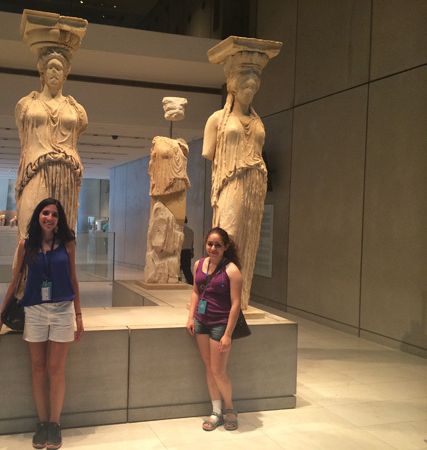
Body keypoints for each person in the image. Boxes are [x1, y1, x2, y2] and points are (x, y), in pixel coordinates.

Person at [0, 198, 84, 450]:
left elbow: (73, 278)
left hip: (63, 310)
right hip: (34, 310)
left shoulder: (68, 243)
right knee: (38, 368)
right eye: (45, 213)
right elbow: (15, 282)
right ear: (38, 216)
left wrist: (78, 315)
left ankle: (55, 424)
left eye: (54, 214)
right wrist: (0, 317)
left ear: (59, 219)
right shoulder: (26, 245)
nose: (49, 218)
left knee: (56, 370)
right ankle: (42, 423)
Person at [202, 67, 266, 310]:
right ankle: (219, 294)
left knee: (249, 239)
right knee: (229, 234)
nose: (250, 91)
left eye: (254, 87)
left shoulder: (258, 122)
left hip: (255, 182)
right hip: (231, 180)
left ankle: (240, 297)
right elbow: (209, 151)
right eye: (245, 86)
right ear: (233, 88)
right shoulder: (217, 119)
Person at [15, 48, 88, 240]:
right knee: (28, 228)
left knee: (63, 233)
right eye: (50, 67)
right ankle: (28, 262)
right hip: (35, 169)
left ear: (65, 75)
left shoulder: (76, 109)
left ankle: (60, 261)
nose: (54, 72)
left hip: (67, 170)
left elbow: (81, 127)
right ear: (42, 72)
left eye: (59, 68)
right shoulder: (26, 105)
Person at [186, 227, 243, 432]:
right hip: (201, 321)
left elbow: (236, 304)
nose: (213, 248)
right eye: (210, 244)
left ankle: (230, 409)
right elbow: (195, 292)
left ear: (226, 246)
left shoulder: (232, 271)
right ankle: (216, 411)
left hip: (221, 323)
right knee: (209, 366)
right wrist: (191, 317)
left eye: (218, 245)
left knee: (218, 371)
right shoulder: (198, 265)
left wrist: (228, 334)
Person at [180, 217, 194, 284]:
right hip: (188, 252)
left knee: (177, 270)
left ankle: (179, 284)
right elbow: (192, 243)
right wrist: (192, 252)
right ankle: (192, 284)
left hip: (180, 252)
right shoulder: (191, 231)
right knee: (187, 270)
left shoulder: (179, 231)